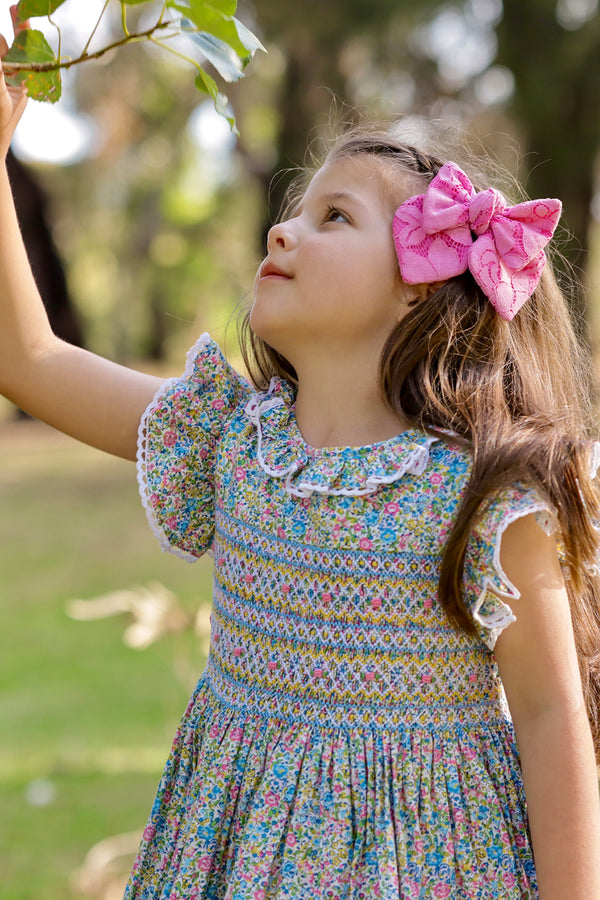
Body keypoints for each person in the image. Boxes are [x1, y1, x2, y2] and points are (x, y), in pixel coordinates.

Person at [2, 12, 600, 900]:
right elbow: (30, 361)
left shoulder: (485, 497)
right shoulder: (232, 442)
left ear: (416, 289)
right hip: (237, 860)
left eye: (333, 217)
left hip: (431, 870)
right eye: (291, 214)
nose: (283, 234)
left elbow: (552, 718)